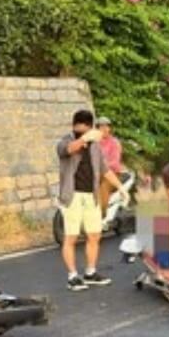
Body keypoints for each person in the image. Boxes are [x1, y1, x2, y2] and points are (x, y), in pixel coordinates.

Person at [57, 109, 128, 292]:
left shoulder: (96, 147)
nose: (83, 130)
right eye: (80, 127)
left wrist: (121, 188)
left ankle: (90, 272)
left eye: (86, 127)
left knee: (94, 235)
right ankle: (72, 276)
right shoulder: (67, 140)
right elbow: (67, 150)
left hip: (91, 196)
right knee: (71, 237)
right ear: (75, 126)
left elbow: (105, 170)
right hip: (72, 195)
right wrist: (85, 139)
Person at [96, 116, 125, 215]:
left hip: (112, 174)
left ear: (110, 128)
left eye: (107, 126)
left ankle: (101, 215)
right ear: (97, 129)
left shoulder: (114, 143)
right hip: (97, 173)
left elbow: (115, 162)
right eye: (101, 126)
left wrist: (101, 166)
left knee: (104, 188)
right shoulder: (94, 143)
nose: (104, 129)